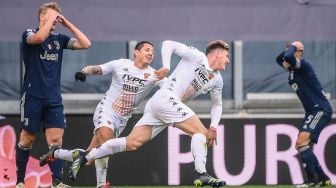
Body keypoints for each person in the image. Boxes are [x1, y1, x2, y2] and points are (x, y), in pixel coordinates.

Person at [68, 40, 229, 187]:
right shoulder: (197, 56)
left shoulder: (217, 79)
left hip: (162, 106)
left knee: (132, 143)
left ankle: (86, 156)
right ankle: (201, 173)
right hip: (167, 99)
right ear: (218, 53)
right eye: (226, 56)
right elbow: (167, 44)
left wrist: (214, 127)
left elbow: (217, 105)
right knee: (200, 133)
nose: (228, 60)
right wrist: (166, 66)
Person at [39, 41, 165, 188]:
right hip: (106, 111)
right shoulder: (121, 64)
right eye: (147, 50)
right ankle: (101, 185)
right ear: (136, 52)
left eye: (152, 52)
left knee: (90, 156)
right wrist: (84, 72)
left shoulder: (154, 75)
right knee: (107, 142)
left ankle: (57, 154)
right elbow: (96, 68)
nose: (150, 53)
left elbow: (171, 89)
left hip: (122, 119)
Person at [16, 2, 91, 188]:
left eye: (56, 17)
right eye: (51, 16)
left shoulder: (60, 39)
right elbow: (39, 38)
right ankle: (19, 182)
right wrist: (49, 21)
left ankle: (57, 182)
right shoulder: (29, 34)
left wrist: (68, 24)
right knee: (27, 140)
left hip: (54, 98)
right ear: (41, 17)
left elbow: (85, 43)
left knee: (56, 142)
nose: (55, 20)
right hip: (33, 96)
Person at [276, 41, 333, 187]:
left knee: (301, 143)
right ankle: (323, 178)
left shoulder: (302, 65)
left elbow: (288, 57)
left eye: (290, 54)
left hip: (319, 109)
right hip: (312, 111)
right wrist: (290, 49)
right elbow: (279, 59)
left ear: (297, 53)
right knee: (303, 145)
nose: (284, 60)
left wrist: (294, 47)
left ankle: (312, 181)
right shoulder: (292, 69)